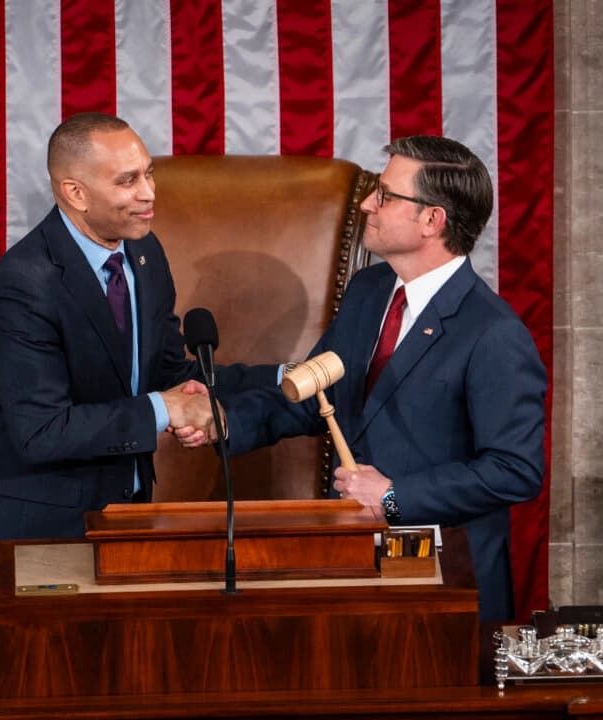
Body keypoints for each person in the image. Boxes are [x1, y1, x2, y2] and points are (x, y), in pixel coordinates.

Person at [174, 135, 546, 622]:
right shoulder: (370, 291)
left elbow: (514, 470)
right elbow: (314, 394)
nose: (369, 203)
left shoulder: (493, 333)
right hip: (352, 568)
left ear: (432, 220)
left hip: (443, 584)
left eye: (387, 195)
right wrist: (225, 420)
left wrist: (394, 497)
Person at [0, 112, 278, 631]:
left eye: (148, 173)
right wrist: (168, 409)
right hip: (34, 538)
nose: (148, 193)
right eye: (127, 181)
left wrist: (281, 379)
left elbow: (170, 370)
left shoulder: (144, 252)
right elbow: (42, 432)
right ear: (75, 192)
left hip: (121, 528)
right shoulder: (25, 283)